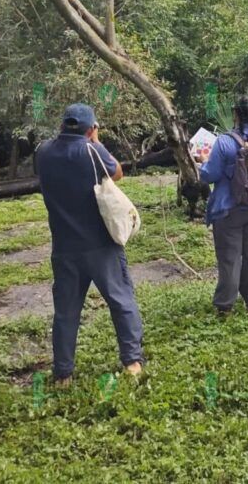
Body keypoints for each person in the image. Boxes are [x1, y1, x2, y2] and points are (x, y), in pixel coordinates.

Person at [35, 104, 143, 386]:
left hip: (64, 246)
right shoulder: (91, 151)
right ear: (91, 129)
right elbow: (117, 172)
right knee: (121, 301)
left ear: (62, 126)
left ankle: (63, 374)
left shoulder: (43, 152)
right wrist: (96, 141)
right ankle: (132, 361)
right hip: (100, 244)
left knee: (66, 312)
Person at [197, 96, 248, 316]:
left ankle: (225, 306)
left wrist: (200, 163)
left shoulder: (225, 142)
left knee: (229, 258)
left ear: (236, 114)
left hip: (230, 208)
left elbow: (210, 174)